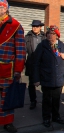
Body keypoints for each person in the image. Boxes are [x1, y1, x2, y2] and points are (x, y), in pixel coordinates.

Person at [33, 25, 64, 127]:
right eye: (48, 33)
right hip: (46, 78)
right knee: (46, 100)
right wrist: (36, 79)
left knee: (56, 99)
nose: (50, 36)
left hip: (58, 78)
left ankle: (56, 116)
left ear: (57, 36)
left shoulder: (62, 45)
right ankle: (46, 118)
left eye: (53, 34)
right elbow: (36, 63)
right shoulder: (42, 45)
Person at [0, 0, 26, 132]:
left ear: (6, 9)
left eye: (1, 7)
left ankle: (8, 122)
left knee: (7, 96)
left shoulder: (15, 25)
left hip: (7, 69)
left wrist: (18, 70)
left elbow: (20, 50)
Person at [25, 20, 46, 110]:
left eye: (37, 26)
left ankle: (45, 102)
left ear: (40, 27)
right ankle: (33, 101)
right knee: (31, 84)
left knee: (45, 84)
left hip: (43, 64)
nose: (35, 28)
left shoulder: (45, 37)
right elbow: (23, 49)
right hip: (32, 63)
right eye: (33, 26)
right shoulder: (28, 37)